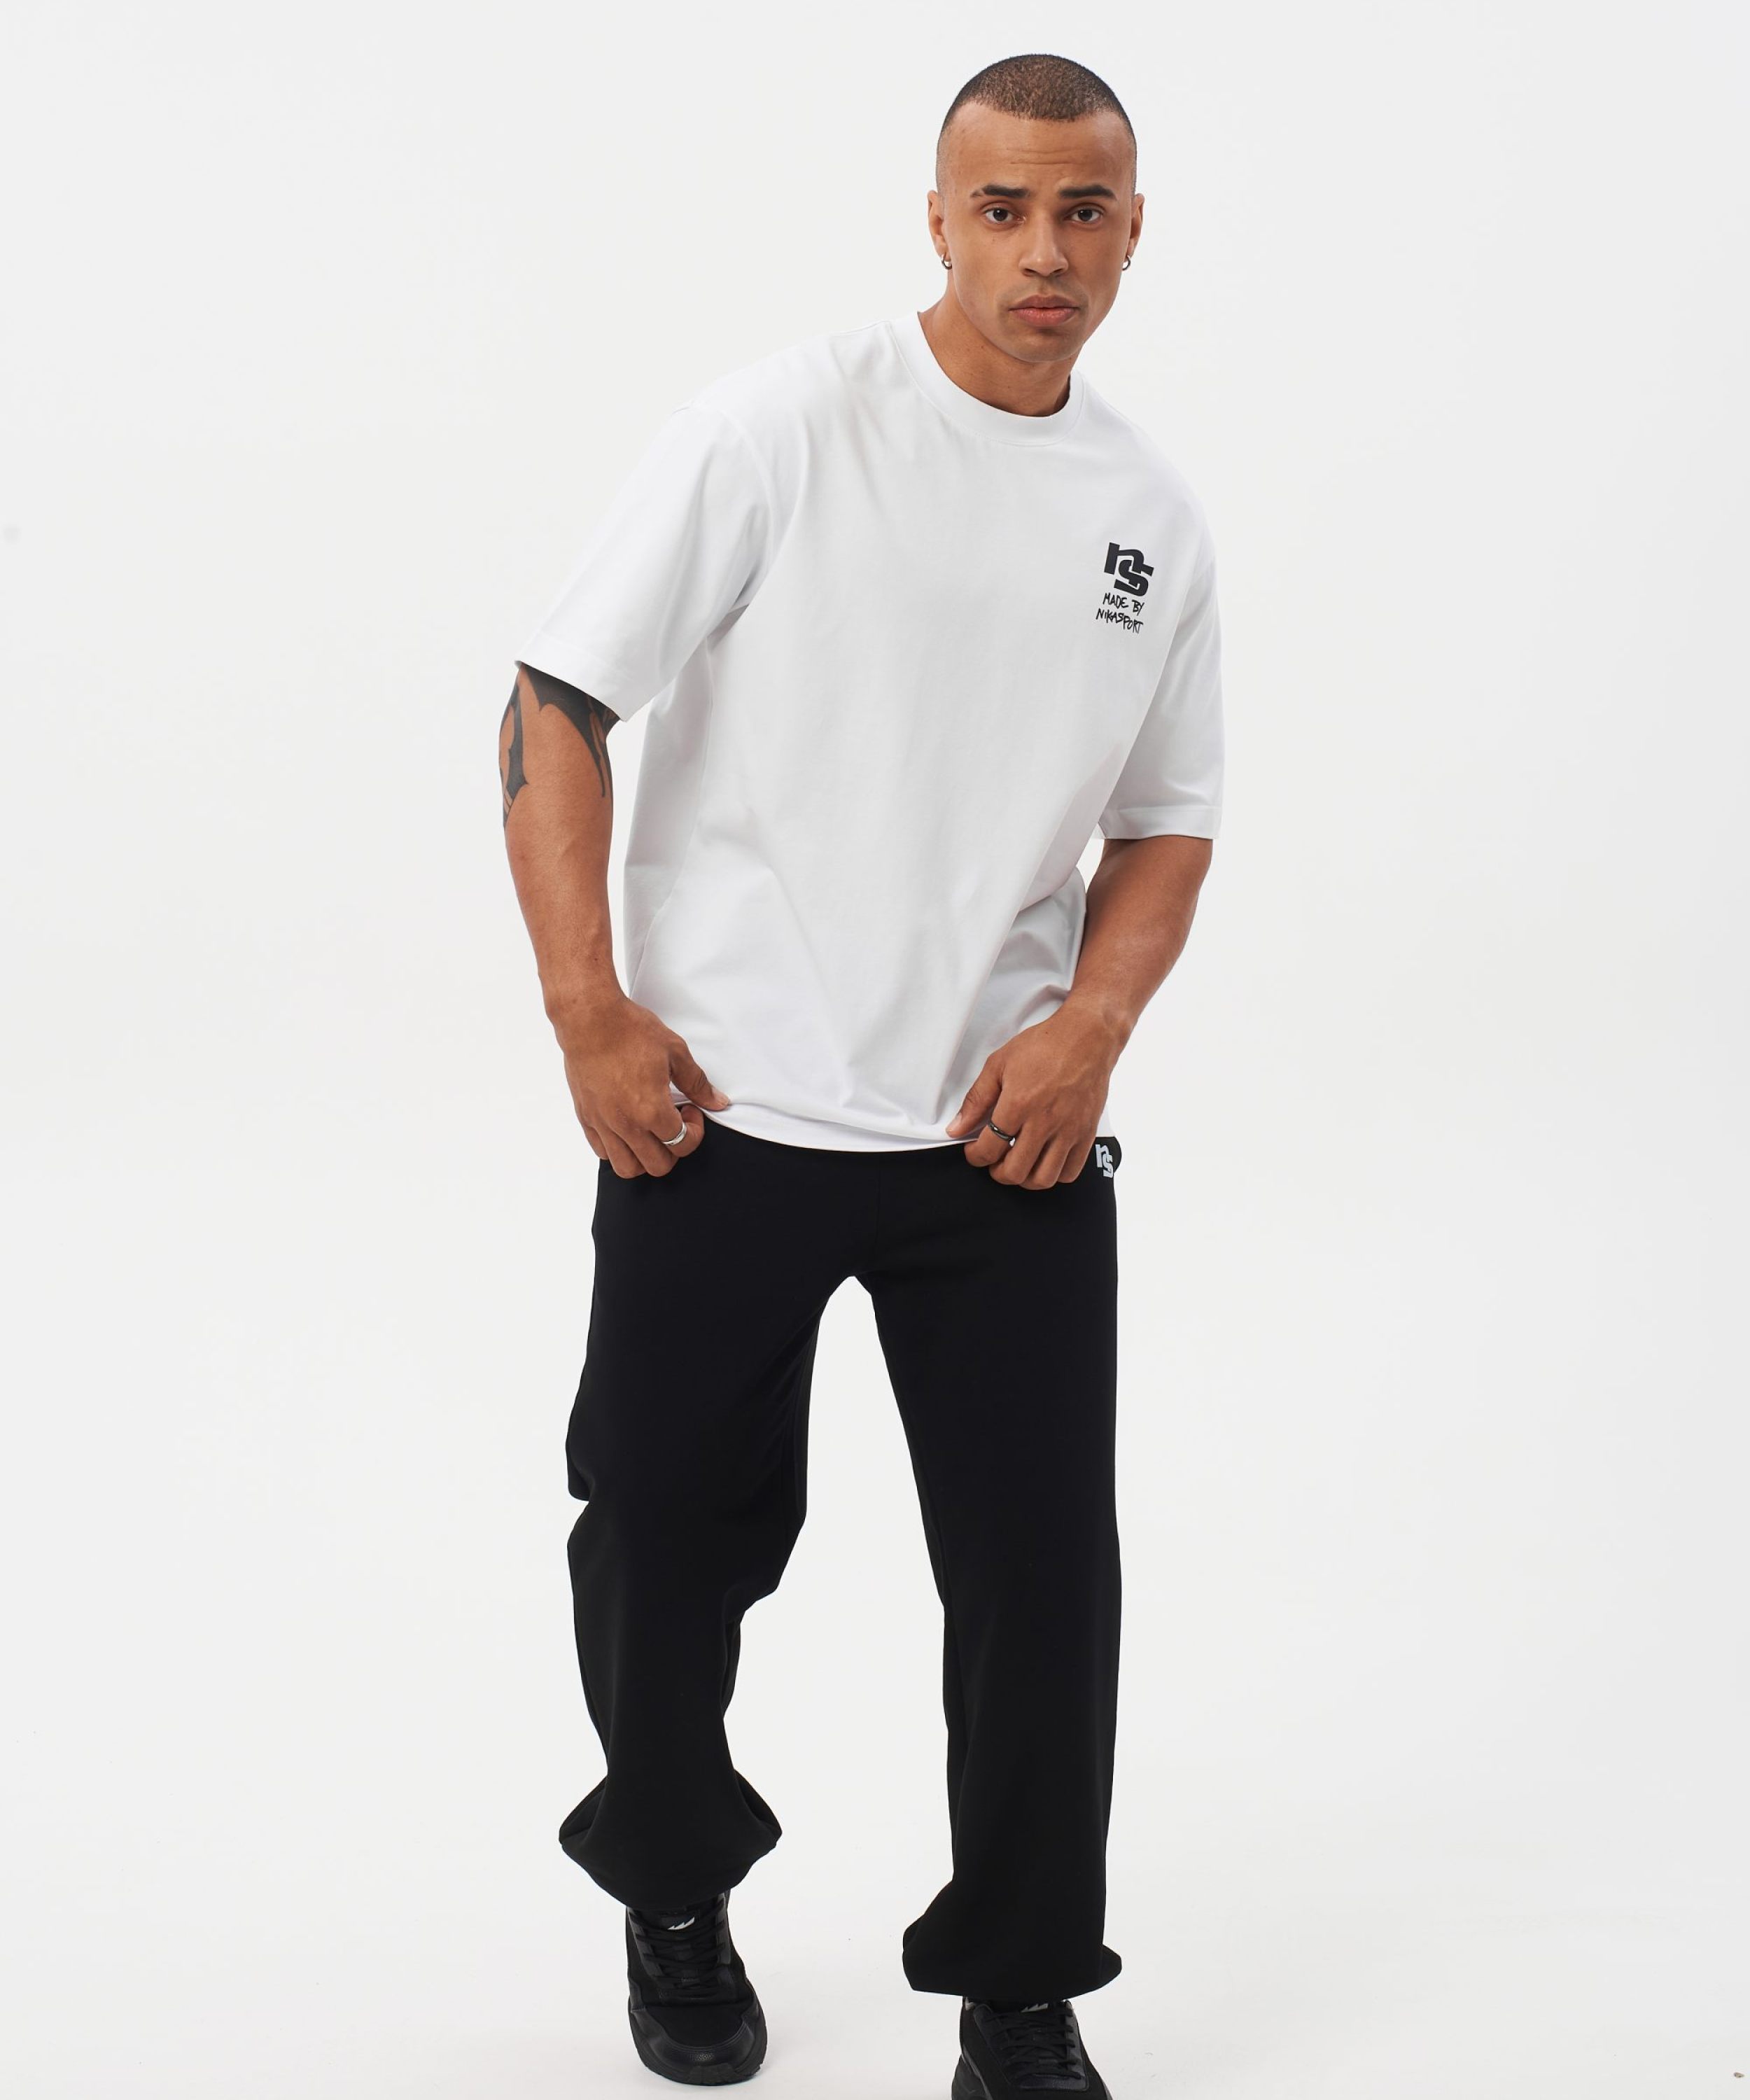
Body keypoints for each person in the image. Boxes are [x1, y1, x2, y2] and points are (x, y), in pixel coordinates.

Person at [498, 50, 1224, 2097]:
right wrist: (587, 1009)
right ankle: (672, 1883)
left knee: (1040, 1584)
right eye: (1002, 208)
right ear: (937, 218)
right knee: (657, 1531)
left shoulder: (1150, 518)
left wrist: (1087, 1032)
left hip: (1000, 1140)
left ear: (1133, 233)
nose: (1042, 249)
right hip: (719, 1113)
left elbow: (1169, 821)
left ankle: (1019, 1987)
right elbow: (556, 700)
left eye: (1081, 211)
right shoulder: (780, 430)